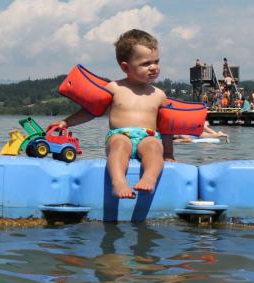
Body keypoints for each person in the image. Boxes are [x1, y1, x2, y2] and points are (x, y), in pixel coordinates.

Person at [49, 29, 170, 199]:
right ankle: (118, 182)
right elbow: (92, 111)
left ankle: (149, 178)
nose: (153, 67)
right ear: (125, 67)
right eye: (145, 63)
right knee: (119, 145)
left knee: (155, 147)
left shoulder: (159, 95)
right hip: (120, 135)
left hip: (148, 136)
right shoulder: (114, 88)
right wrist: (66, 123)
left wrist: (169, 154)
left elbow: (166, 128)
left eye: (156, 61)